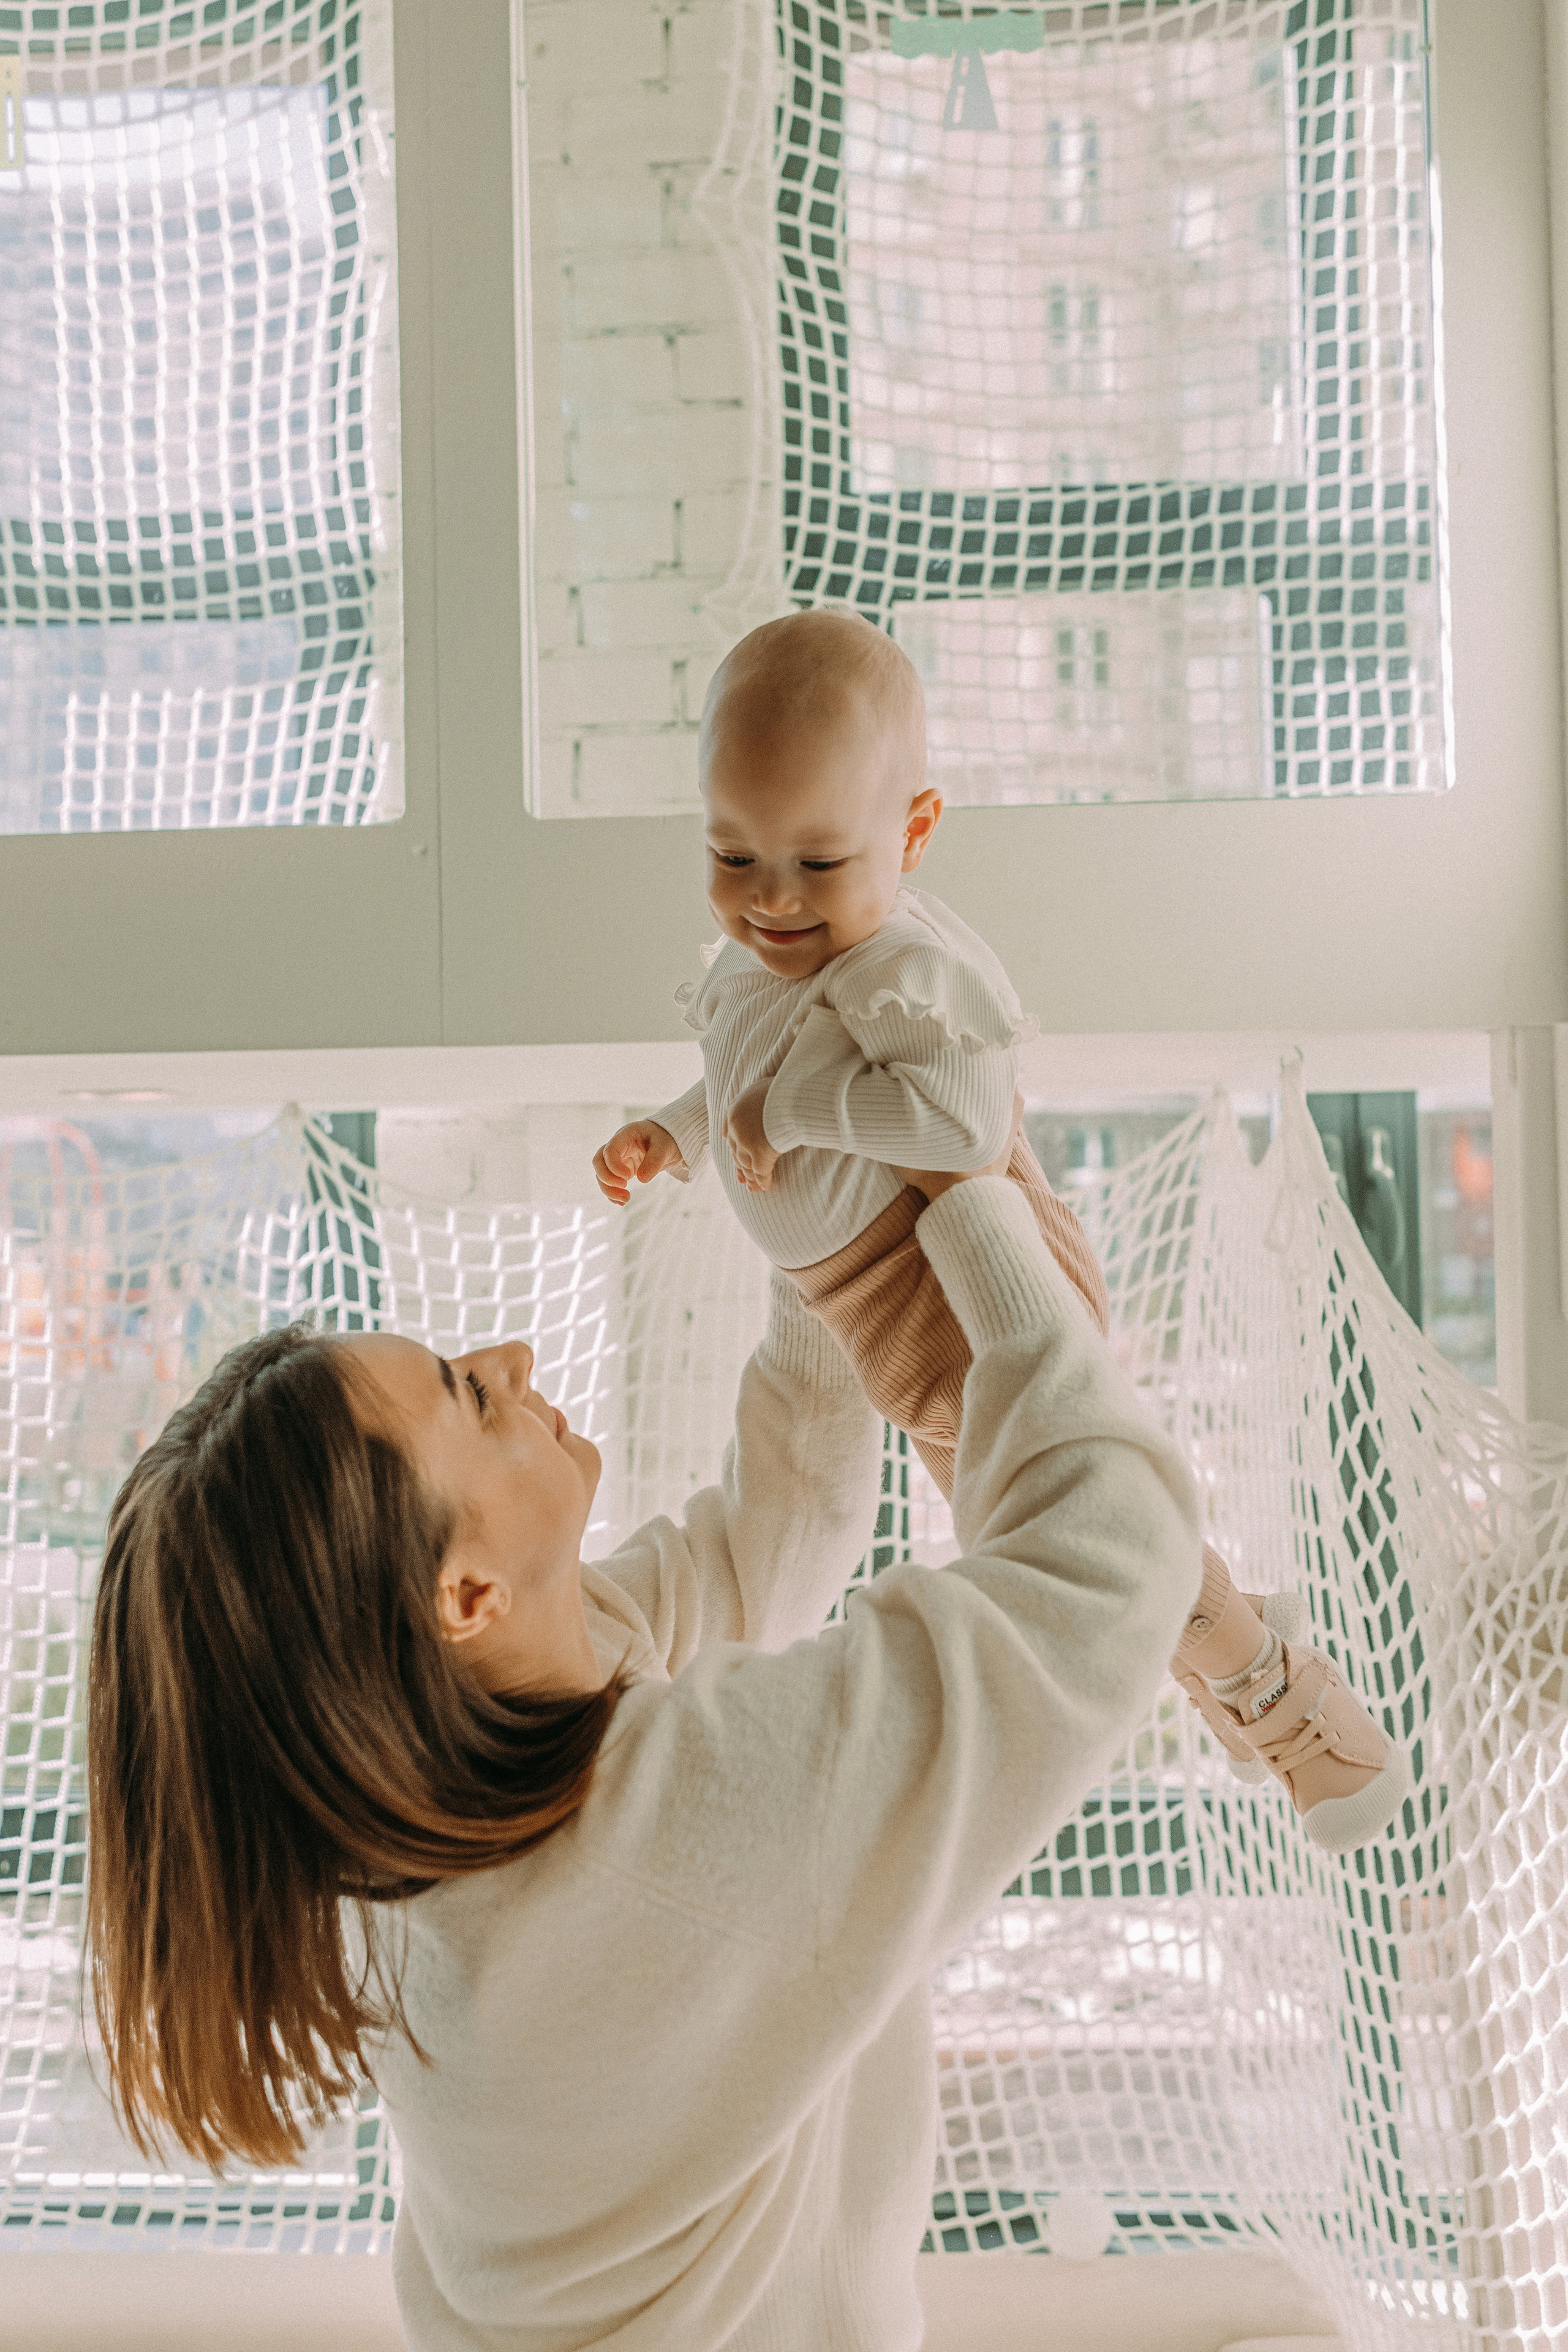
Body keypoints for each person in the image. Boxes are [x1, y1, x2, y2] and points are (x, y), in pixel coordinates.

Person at [89, 1134, 1200, 2350]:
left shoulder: (439, 1778)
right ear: (462, 1598)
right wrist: (978, 1211)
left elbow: (782, 1523)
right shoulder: (668, 1836)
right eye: (467, 1393)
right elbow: (1111, 1571)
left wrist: (821, 1227)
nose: (511, 1360)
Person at [592, 609, 1409, 1854]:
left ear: (911, 832)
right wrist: (680, 1129)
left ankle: (1276, 1695)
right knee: (1014, 1517)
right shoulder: (770, 948)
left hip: (953, 1295)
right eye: (730, 853)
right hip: (843, 1300)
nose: (769, 899)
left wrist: (780, 1109)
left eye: (817, 864)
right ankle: (1230, 1657)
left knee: (1064, 1521)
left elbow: (958, 1123)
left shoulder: (898, 971)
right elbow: (742, 1054)